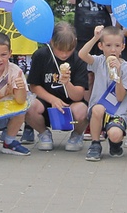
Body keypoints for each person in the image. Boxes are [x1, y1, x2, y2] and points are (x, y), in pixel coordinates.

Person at [26, 22, 90, 152]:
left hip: (71, 105)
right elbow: (34, 86)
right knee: (28, 106)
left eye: (69, 50)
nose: (64, 54)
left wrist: (67, 83)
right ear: (52, 42)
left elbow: (79, 95)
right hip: (46, 103)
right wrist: (52, 99)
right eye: (60, 50)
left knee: (83, 111)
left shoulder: (79, 59)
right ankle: (44, 133)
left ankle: (77, 135)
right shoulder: (41, 55)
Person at [78, 25, 127, 162]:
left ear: (123, 47)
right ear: (101, 46)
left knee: (115, 135)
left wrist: (118, 74)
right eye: (108, 45)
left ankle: (115, 144)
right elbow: (82, 54)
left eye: (117, 45)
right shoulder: (99, 62)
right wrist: (95, 37)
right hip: (98, 111)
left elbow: (121, 96)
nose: (113, 49)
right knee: (98, 109)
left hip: (117, 112)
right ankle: (95, 143)